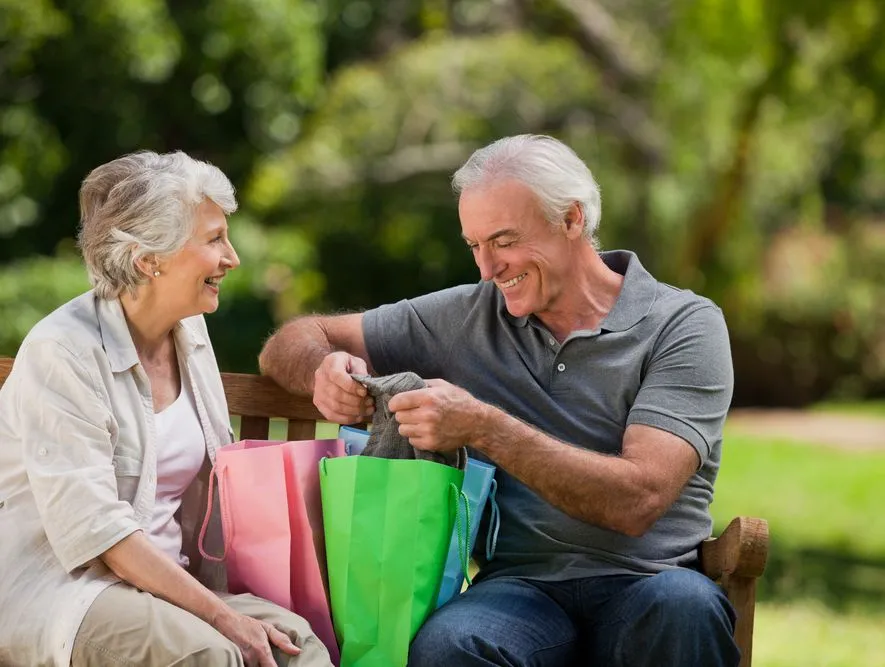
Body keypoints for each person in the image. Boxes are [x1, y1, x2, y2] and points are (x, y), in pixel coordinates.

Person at [259, 134, 740, 667]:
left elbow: (637, 501)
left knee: (687, 608)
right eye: (475, 245)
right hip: (520, 590)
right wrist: (321, 370)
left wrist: (483, 427)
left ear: (572, 219)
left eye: (505, 241)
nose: (487, 269)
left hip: (650, 583)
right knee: (451, 646)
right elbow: (293, 341)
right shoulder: (468, 315)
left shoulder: (684, 326)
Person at [0, 151, 333, 667]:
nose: (233, 257)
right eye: (214, 238)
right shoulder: (62, 351)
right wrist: (223, 617)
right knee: (210, 654)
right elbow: (99, 533)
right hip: (68, 594)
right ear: (148, 258)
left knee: (296, 643)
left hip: (169, 588)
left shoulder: (189, 334)